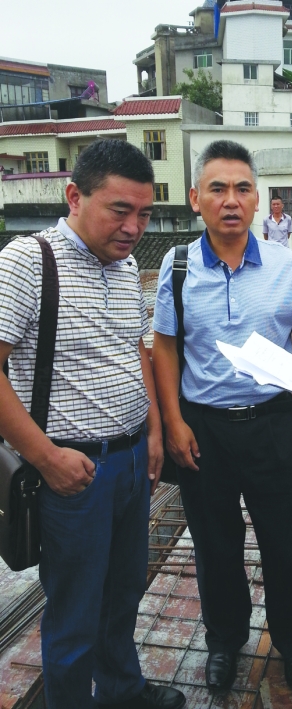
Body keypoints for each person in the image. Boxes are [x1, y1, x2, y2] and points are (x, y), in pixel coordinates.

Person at [0, 140, 186, 709]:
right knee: (75, 611)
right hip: (72, 470)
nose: (133, 227)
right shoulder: (29, 261)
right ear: (75, 197)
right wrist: (46, 458)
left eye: (144, 213)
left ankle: (122, 690)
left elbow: (136, 350)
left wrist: (152, 431)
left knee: (123, 591)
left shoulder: (126, 266)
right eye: (119, 210)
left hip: (130, 461)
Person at [152, 140, 292, 694]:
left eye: (242, 189)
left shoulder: (288, 266)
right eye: (218, 189)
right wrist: (174, 421)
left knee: (286, 541)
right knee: (215, 545)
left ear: (258, 200)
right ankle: (225, 641)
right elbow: (165, 349)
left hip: (274, 423)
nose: (230, 200)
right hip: (203, 429)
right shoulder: (177, 267)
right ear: (195, 199)